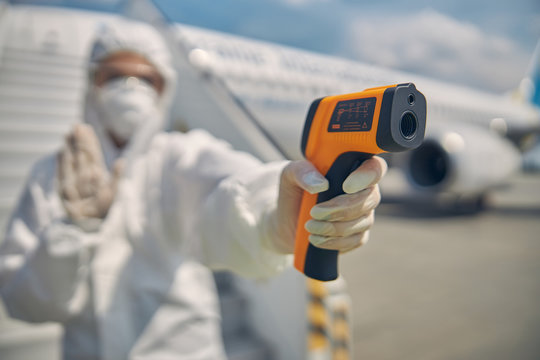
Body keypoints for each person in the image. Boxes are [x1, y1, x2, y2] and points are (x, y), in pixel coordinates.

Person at [0, 19, 387, 360]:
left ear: (163, 88)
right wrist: (74, 231)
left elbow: (231, 184)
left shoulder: (179, 156)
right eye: (115, 76)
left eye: (146, 79)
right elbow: (27, 305)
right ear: (92, 84)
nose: (131, 88)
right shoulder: (50, 175)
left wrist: (275, 219)